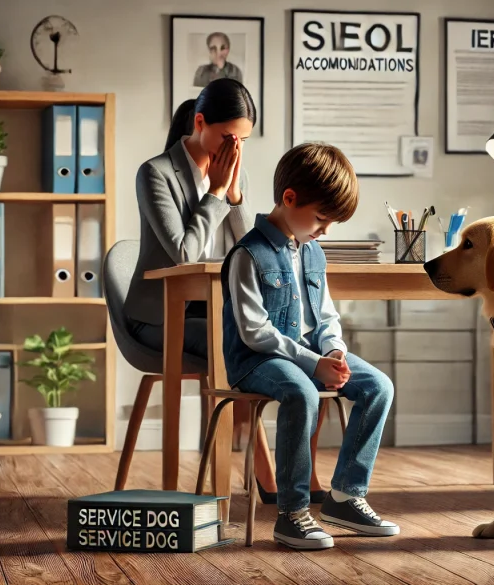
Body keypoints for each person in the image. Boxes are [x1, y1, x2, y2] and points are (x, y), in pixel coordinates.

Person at [221, 142, 399, 550]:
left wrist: (334, 351)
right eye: (321, 219)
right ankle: (292, 513)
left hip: (311, 354)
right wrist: (314, 363)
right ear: (289, 199)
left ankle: (345, 497)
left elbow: (327, 316)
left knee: (378, 386)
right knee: (302, 393)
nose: (325, 231)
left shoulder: (314, 251)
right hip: (258, 360)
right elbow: (255, 332)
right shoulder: (247, 254)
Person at [125, 77, 287, 503]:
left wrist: (234, 196)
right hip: (159, 316)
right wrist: (215, 192)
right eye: (228, 137)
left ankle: (268, 479)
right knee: (233, 344)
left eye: (244, 140)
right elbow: (183, 254)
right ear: (200, 122)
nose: (235, 148)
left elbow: (248, 250)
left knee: (261, 338)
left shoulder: (238, 175)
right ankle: (251, 485)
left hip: (214, 310)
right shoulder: (156, 173)